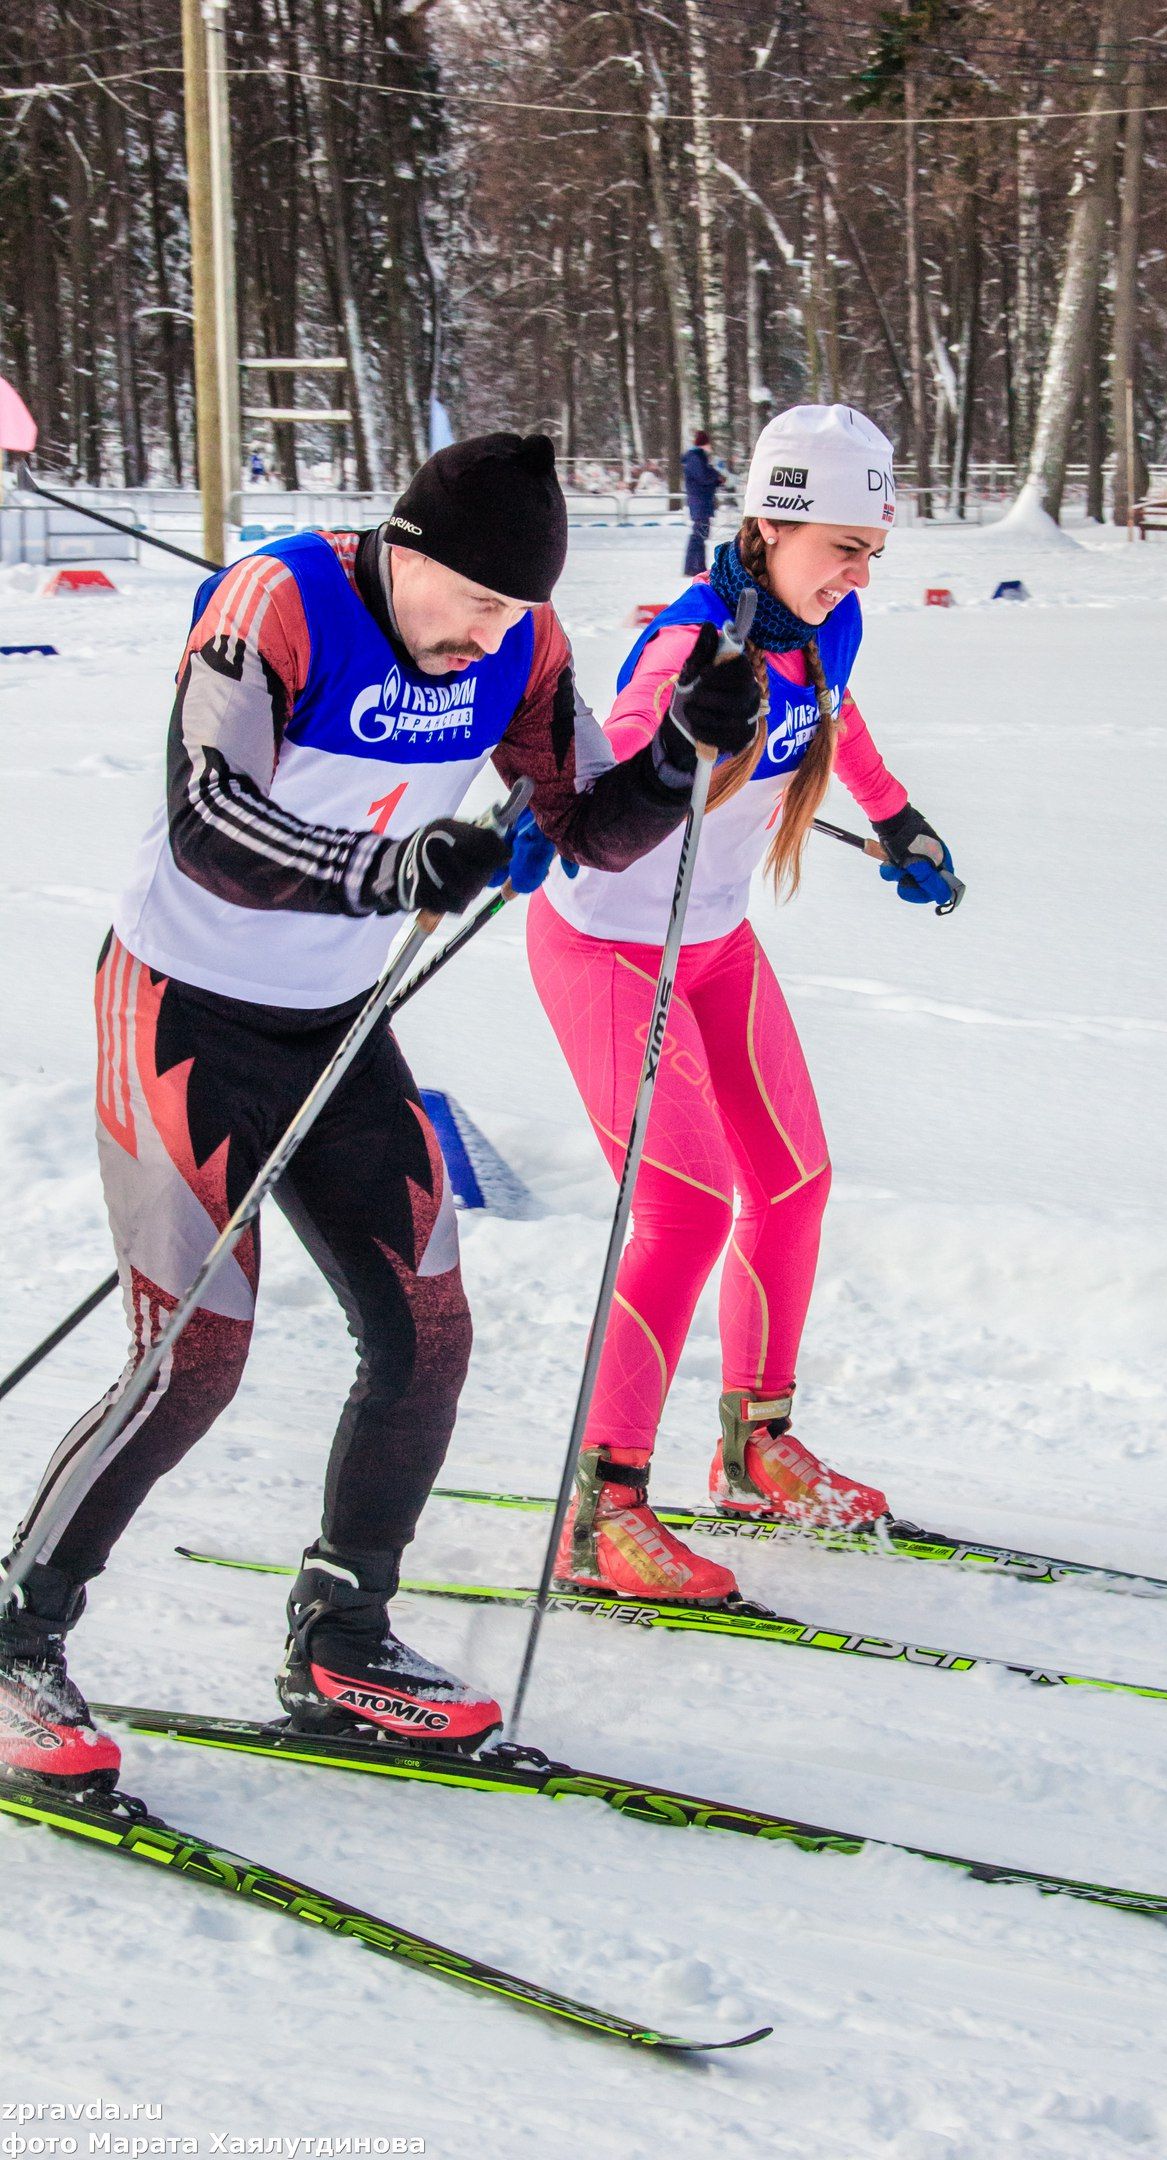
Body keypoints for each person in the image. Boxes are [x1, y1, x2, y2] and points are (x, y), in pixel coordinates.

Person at [0, 432, 760, 1788]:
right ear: (402, 549)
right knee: (194, 1355)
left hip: (335, 1026)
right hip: (178, 1007)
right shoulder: (278, 603)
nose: (484, 636)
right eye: (465, 601)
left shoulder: (522, 650)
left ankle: (342, 1643)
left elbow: (582, 828)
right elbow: (206, 817)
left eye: (509, 611)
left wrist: (677, 762)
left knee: (427, 1329)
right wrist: (389, 863)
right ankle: (16, 1642)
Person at [524, 405, 959, 1603]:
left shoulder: (829, 625)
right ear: (767, 525)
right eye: (841, 546)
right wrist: (671, 739)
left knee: (795, 1180)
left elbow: (833, 713)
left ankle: (755, 1446)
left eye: (873, 549)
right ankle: (601, 1509)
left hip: (713, 944)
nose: (859, 573)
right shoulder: (688, 645)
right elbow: (596, 799)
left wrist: (898, 819)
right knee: (682, 1207)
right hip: (614, 949)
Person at [681, 429, 724, 577]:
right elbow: (703, 477)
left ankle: (697, 565)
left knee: (701, 534)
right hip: (699, 501)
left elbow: (704, 477)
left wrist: (715, 478)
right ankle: (693, 566)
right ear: (704, 443)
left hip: (701, 501)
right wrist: (716, 476)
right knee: (698, 534)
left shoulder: (697, 458)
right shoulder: (695, 458)